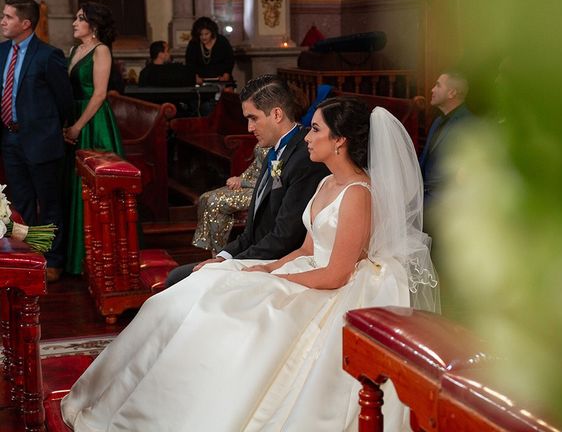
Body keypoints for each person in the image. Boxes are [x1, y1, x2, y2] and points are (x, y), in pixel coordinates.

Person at [60, 97, 439, 431]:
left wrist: (277, 282)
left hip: (331, 288)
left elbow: (336, 273)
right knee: (200, 288)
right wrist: (267, 270)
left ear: (340, 140)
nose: (307, 137)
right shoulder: (326, 184)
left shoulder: (358, 194)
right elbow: (306, 248)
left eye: (316, 130)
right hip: (307, 271)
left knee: (234, 316)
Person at [165, 74, 328, 286]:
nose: (249, 128)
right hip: (256, 255)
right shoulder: (273, 150)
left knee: (178, 279)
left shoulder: (305, 159)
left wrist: (231, 265)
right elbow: (251, 232)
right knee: (179, 276)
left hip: (278, 263)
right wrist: (223, 257)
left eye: (253, 118)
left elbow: (285, 237)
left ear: (277, 114)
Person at [0, 0, 73, 282]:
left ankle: (53, 261)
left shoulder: (47, 55)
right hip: (10, 139)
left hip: (41, 141)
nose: (3, 21)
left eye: (8, 17)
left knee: (50, 203)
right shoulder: (2, 52)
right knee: (22, 203)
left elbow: (64, 100)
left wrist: (52, 129)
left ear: (26, 23)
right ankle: (29, 257)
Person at [63, 2, 124, 276]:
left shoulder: (101, 50)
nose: (74, 23)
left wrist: (77, 126)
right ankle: (79, 255)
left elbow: (99, 94)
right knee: (77, 187)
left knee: (95, 187)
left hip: (93, 121)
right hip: (75, 116)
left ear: (94, 25)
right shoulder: (76, 49)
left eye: (80, 19)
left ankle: (104, 257)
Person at [419, 71, 474, 227]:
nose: (432, 90)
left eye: (438, 85)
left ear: (452, 92)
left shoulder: (467, 124)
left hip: (445, 208)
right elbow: (426, 158)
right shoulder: (437, 121)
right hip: (425, 201)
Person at [192, 144, 269, 253]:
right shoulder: (266, 138)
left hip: (263, 189)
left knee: (215, 202)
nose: (251, 128)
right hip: (252, 184)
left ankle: (221, 253)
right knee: (205, 197)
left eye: (254, 125)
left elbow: (273, 178)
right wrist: (241, 178)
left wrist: (244, 182)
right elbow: (256, 165)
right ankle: (214, 252)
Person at [185, 16, 234, 85]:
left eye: (206, 34)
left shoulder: (222, 41)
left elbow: (230, 60)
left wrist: (226, 74)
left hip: (222, 80)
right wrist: (194, 76)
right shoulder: (194, 43)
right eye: (201, 35)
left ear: (212, 32)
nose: (203, 37)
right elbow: (190, 63)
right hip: (200, 81)